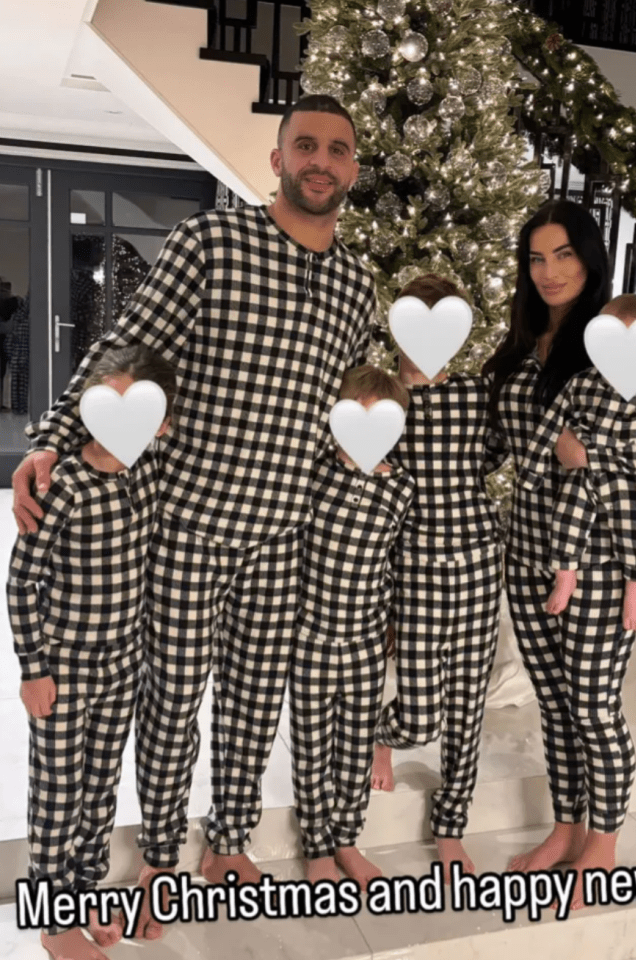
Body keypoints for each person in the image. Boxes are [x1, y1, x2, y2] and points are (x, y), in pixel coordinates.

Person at [11, 94, 376, 939]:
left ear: (353, 169)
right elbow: (126, 345)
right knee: (172, 705)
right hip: (185, 526)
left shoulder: (357, 284)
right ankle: (160, 863)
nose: (322, 161)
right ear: (279, 158)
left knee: (252, 704)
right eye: (306, 145)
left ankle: (229, 846)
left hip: (282, 533)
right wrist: (57, 440)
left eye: (339, 150)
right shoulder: (212, 243)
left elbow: (349, 406)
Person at [483, 199, 636, 909]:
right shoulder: (517, 350)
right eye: (536, 258)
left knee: (594, 704)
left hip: (603, 555)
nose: (548, 272)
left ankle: (602, 841)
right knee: (554, 702)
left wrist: (590, 455)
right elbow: (497, 444)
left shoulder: (619, 342)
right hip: (530, 548)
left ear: (590, 258)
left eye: (564, 255)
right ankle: (567, 826)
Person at [7, 345, 175, 960]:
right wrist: (33, 669)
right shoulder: (64, 484)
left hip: (123, 662)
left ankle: (83, 890)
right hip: (64, 666)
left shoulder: (151, 471)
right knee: (57, 789)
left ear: (162, 421)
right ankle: (52, 917)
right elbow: (22, 581)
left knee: (101, 785)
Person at [371, 274, 508, 878]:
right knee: (423, 709)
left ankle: (451, 826)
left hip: (479, 560)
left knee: (468, 705)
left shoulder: (479, 394)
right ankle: (382, 731)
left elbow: (499, 451)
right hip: (418, 567)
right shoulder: (381, 400)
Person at [291, 365, 415, 889]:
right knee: (312, 744)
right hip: (311, 635)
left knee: (354, 742)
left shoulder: (400, 489)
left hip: (365, 640)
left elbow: (395, 563)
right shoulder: (315, 474)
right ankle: (317, 843)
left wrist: (391, 629)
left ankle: (346, 837)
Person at [516, 293, 636, 631]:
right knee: (565, 522)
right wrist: (531, 472)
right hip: (583, 478)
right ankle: (565, 576)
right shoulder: (583, 382)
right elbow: (550, 426)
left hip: (627, 483)